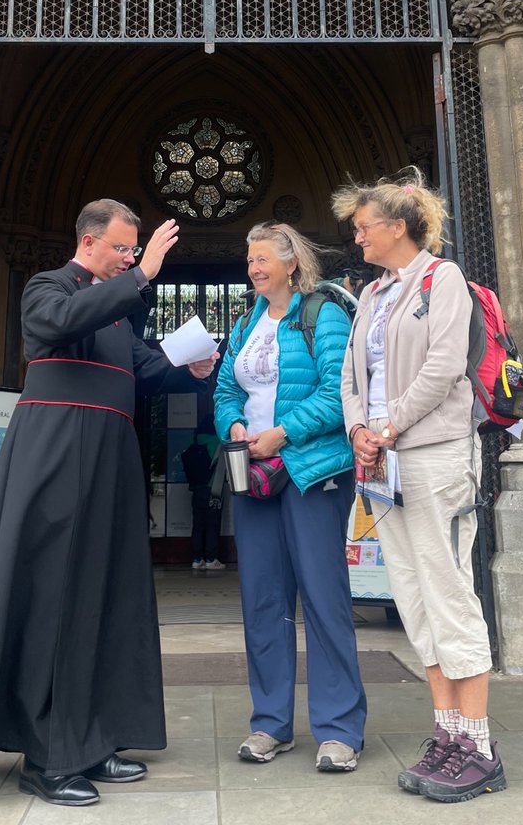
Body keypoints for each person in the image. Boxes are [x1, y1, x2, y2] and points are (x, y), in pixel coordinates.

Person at [0, 199, 218, 808]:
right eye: (124, 248)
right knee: (54, 597)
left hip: (109, 459)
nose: (131, 257)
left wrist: (195, 368)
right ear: (88, 242)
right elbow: (55, 325)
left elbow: (144, 368)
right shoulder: (50, 288)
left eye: (135, 250)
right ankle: (46, 754)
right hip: (57, 454)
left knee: (104, 595)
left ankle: (91, 736)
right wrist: (141, 276)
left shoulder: (117, 310)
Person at [331, 169, 507, 803]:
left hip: (431, 454)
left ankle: (480, 748)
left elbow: (442, 366)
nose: (357, 238)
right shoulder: (373, 295)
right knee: (412, 592)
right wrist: (359, 429)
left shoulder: (444, 279)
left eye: (363, 227)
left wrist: (389, 425)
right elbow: (353, 375)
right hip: (382, 462)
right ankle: (448, 731)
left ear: (397, 227)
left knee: (449, 588)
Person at [213, 222, 367, 774]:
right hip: (253, 474)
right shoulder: (247, 320)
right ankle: (270, 723)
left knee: (323, 598)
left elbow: (338, 390)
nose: (253, 268)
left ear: (290, 263)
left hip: (309, 472)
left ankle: (339, 728)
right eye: (249, 261)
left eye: (262, 260)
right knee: (263, 602)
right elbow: (226, 387)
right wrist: (233, 425)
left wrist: (283, 433)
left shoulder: (322, 312)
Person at [181, 426, 225, 570]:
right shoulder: (218, 442)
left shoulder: (195, 443)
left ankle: (197, 559)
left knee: (198, 525)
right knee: (213, 524)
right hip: (213, 489)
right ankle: (211, 559)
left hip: (197, 490)